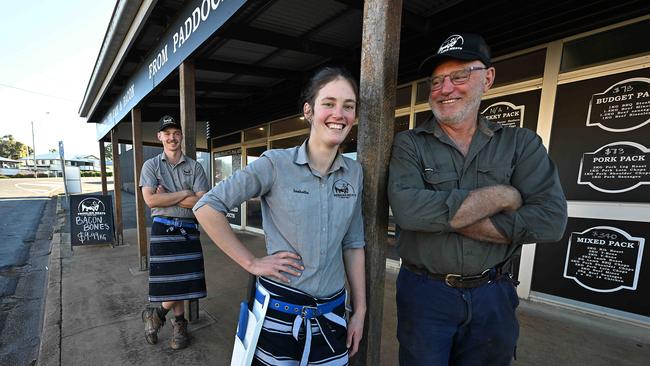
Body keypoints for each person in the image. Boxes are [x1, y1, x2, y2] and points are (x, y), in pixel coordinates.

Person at [388, 33, 568, 365]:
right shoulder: (410, 144)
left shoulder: (520, 144)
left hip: (493, 293)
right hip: (426, 293)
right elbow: (409, 212)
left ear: (487, 78)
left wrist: (443, 218)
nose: (445, 89)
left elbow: (550, 221)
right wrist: (503, 194)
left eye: (459, 76)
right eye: (437, 81)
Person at [194, 66, 366, 366]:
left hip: (333, 316)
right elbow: (207, 207)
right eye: (329, 103)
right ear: (309, 111)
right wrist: (251, 262)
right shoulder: (275, 164)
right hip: (278, 316)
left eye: (348, 106)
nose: (339, 113)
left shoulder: (354, 173)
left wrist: (360, 310)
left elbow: (353, 243)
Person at [140, 115, 209, 350]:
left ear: (181, 136)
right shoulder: (151, 165)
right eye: (167, 133)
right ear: (160, 137)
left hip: (189, 229)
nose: (172, 137)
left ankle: (157, 313)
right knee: (173, 282)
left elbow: (202, 202)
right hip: (163, 228)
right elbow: (150, 200)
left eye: (176, 132)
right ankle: (180, 324)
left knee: (185, 281)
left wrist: (167, 195)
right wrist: (184, 193)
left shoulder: (195, 166)